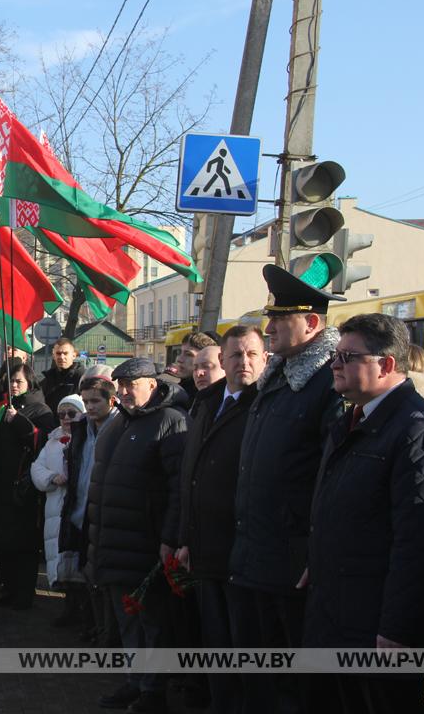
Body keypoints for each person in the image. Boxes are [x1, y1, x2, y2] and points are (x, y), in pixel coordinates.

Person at [305, 314, 424, 713]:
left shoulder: (416, 430)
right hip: (336, 610)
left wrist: (395, 629)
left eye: (347, 357)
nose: (334, 366)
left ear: (386, 365)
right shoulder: (354, 418)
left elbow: (418, 543)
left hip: (374, 627)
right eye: (335, 356)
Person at [227, 265, 345, 714]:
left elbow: (332, 479)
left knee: (294, 685)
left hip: (294, 566)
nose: (268, 327)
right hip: (256, 557)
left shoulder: (327, 383)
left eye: (280, 319)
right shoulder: (279, 374)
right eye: (268, 316)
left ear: (312, 324)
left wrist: (315, 552)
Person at [88, 357, 188, 714]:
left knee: (153, 623)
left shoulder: (170, 422)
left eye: (133, 384)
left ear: (152, 383)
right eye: (121, 385)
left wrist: (170, 538)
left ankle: (154, 690)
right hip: (114, 542)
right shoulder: (119, 424)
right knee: (128, 621)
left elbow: (178, 488)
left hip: (146, 545)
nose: (126, 391)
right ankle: (136, 681)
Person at [176, 325, 267, 714]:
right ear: (224, 361)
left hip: (244, 551)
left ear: (265, 360)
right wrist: (183, 538)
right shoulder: (206, 402)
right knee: (214, 640)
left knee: (244, 644)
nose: (242, 362)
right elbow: (189, 476)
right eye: (235, 355)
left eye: (251, 355)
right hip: (204, 548)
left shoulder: (264, 405)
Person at [0, 361, 57, 610]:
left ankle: (23, 592)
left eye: (18, 381)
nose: (14, 385)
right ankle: (7, 587)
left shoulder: (41, 410)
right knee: (5, 542)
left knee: (24, 544)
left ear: (29, 382)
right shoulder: (4, 406)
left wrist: (20, 423)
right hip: (3, 484)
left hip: (25, 488)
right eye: (10, 381)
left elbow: (45, 443)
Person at [59, 377, 120, 645]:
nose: (90, 407)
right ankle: (94, 626)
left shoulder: (119, 427)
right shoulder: (82, 428)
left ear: (111, 401)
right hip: (81, 510)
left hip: (104, 514)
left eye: (95, 401)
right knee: (86, 573)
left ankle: (108, 633)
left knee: (102, 578)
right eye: (86, 402)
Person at [30, 394, 87, 622]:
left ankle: (83, 609)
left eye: (71, 413)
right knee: (60, 556)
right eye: (61, 414)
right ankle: (68, 606)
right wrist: (53, 477)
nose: (65, 418)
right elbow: (37, 468)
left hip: (77, 505)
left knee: (77, 558)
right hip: (55, 505)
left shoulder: (87, 438)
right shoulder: (53, 440)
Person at [40, 337, 85, 412]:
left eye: (65, 353)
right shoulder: (48, 378)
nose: (61, 357)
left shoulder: (82, 377)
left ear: (74, 355)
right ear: (53, 355)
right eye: (58, 353)